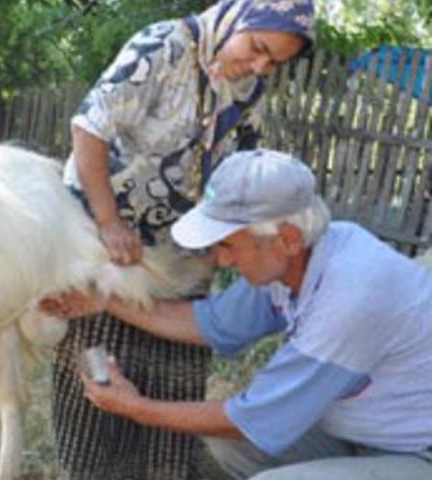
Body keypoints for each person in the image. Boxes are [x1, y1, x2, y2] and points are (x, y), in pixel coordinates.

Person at [42, 149, 432, 480]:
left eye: (228, 245)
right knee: (223, 449)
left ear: (287, 239)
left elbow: (252, 418)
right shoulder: (298, 259)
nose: (220, 260)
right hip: (355, 431)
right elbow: (212, 323)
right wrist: (107, 301)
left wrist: (134, 408)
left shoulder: (352, 297)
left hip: (417, 452)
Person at [53, 1, 314, 478]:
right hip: (114, 246)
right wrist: (110, 221)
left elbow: (240, 165)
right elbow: (89, 129)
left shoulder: (248, 84)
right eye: (258, 49)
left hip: (187, 251)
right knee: (101, 378)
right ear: (236, 16)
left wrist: (222, 246)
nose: (260, 67)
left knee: (176, 378)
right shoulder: (162, 47)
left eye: (274, 62)